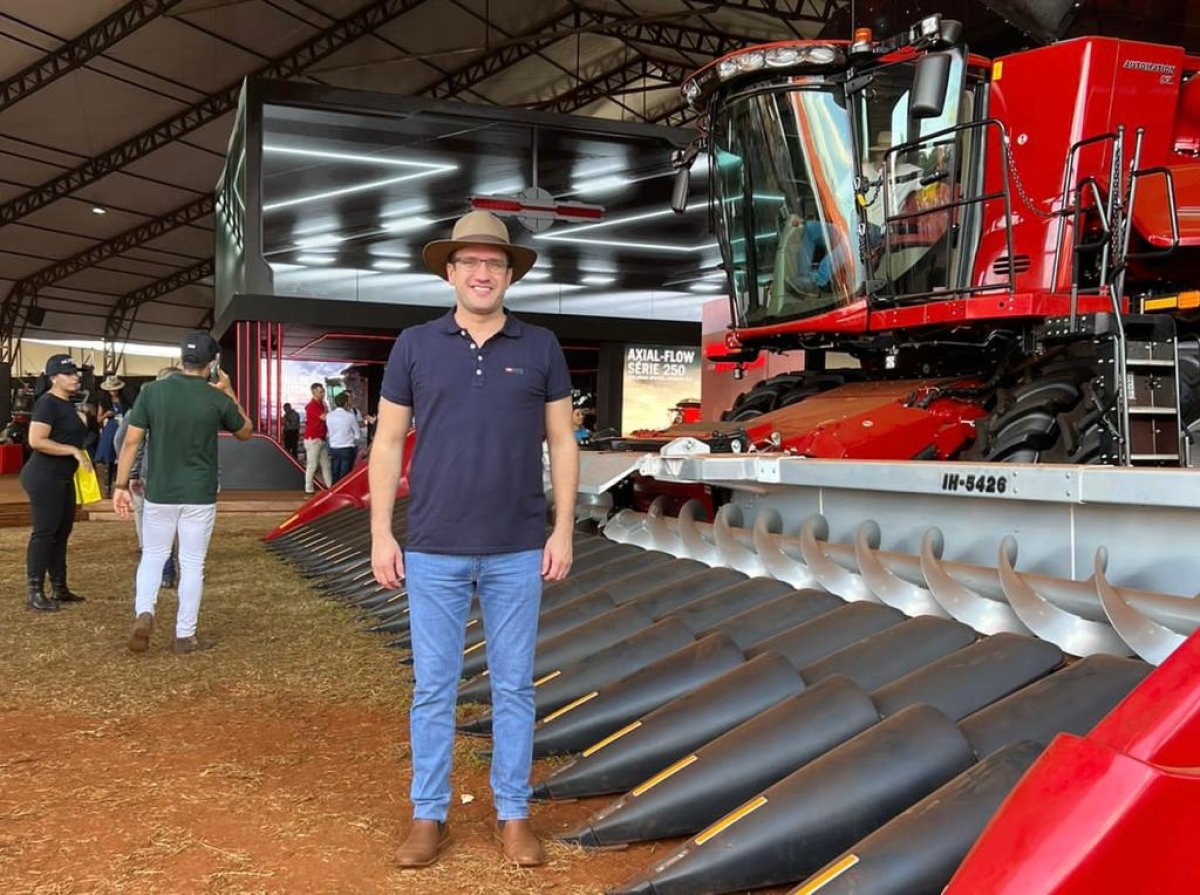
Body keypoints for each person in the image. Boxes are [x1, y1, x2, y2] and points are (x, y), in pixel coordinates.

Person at [369, 211, 578, 870]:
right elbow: (386, 441)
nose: (482, 273)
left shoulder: (541, 345)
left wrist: (563, 527)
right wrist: (381, 532)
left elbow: (563, 442)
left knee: (514, 686)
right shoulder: (413, 345)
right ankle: (428, 814)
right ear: (451, 272)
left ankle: (513, 814)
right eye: (470, 262)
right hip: (433, 543)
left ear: (509, 273)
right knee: (434, 687)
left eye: (495, 263)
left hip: (518, 543)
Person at [112, 333, 252, 655]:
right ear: (213, 362)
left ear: (181, 359)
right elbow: (246, 430)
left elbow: (131, 442)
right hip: (199, 493)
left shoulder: (152, 393)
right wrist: (229, 391)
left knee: (152, 555)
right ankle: (184, 636)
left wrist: (120, 486)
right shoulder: (215, 398)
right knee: (192, 563)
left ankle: (144, 612)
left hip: (160, 491)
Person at [20, 354, 90, 612]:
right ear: (52, 378)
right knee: (45, 532)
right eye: (68, 373)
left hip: (61, 477)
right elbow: (36, 441)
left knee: (62, 532)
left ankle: (59, 587)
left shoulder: (67, 405)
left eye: (75, 372)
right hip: (44, 475)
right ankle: (34, 591)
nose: (75, 377)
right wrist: (71, 450)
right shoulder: (47, 404)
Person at [114, 366, 179, 588]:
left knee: (162, 523)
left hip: (165, 475)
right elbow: (124, 442)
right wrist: (132, 473)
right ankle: (165, 571)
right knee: (157, 523)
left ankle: (166, 571)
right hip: (150, 476)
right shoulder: (142, 411)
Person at [93, 375, 128, 497]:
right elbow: (98, 419)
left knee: (125, 456)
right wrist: (107, 414)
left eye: (115, 389)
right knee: (109, 457)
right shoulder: (104, 402)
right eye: (111, 389)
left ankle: (123, 485)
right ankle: (107, 488)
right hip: (111, 429)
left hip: (124, 428)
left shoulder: (126, 400)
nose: (113, 392)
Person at [303, 382, 332, 494]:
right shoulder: (312, 406)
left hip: (321, 438)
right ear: (314, 392)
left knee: (326, 464)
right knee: (312, 464)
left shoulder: (321, 404)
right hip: (313, 439)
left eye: (323, 391)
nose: (323, 393)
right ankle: (309, 489)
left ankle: (330, 488)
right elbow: (324, 417)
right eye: (321, 392)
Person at [326, 392, 358, 483]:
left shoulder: (329, 415)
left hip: (334, 448)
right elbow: (358, 434)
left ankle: (334, 493)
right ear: (345, 403)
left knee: (335, 474)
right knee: (345, 477)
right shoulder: (350, 416)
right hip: (347, 448)